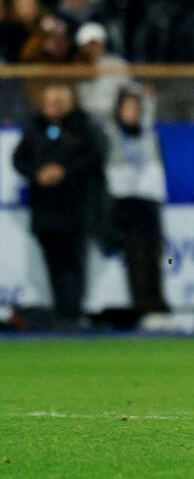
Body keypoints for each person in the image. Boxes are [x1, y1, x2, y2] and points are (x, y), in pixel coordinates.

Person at [12, 84, 107, 328]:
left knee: (73, 263)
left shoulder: (83, 126)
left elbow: (95, 156)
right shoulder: (35, 127)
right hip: (45, 210)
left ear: (70, 103)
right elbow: (19, 159)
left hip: (75, 208)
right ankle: (62, 315)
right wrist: (38, 173)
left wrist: (64, 170)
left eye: (59, 101)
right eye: (50, 102)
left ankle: (73, 313)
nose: (54, 106)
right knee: (53, 263)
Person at [105, 84, 170, 327]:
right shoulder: (110, 135)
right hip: (123, 202)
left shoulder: (149, 136)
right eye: (127, 107)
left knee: (154, 254)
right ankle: (143, 306)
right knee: (136, 257)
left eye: (136, 107)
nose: (132, 112)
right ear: (119, 110)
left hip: (148, 200)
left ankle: (158, 304)